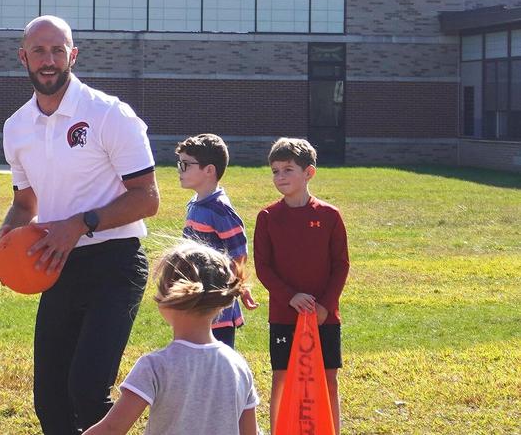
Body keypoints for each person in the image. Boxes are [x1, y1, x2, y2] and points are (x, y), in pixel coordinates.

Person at [0, 15, 160, 434]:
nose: (48, 60)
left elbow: (148, 198)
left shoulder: (109, 114)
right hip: (56, 265)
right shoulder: (16, 128)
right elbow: (25, 203)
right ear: (23, 57)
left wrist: (80, 224)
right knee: (49, 401)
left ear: (73, 55)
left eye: (57, 50)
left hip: (115, 263)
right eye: (39, 51)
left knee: (87, 391)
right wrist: (3, 234)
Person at [83, 241, 260, 435]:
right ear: (220, 303)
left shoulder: (155, 366)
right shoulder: (238, 366)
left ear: (169, 294)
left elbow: (111, 428)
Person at [253, 137, 349, 434]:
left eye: (288, 170)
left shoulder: (329, 216)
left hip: (323, 316)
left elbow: (341, 265)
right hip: (284, 315)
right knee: (282, 376)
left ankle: (330, 428)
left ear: (309, 173)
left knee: (327, 378)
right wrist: (290, 297)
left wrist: (325, 306)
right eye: (275, 171)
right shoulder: (268, 217)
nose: (280, 177)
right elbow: (263, 268)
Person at [175, 133, 259, 347]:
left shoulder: (219, 210)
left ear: (209, 170)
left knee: (216, 360)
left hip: (216, 304)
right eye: (179, 164)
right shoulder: (195, 203)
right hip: (196, 297)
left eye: (186, 165)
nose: (179, 170)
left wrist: (237, 285)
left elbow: (238, 252)